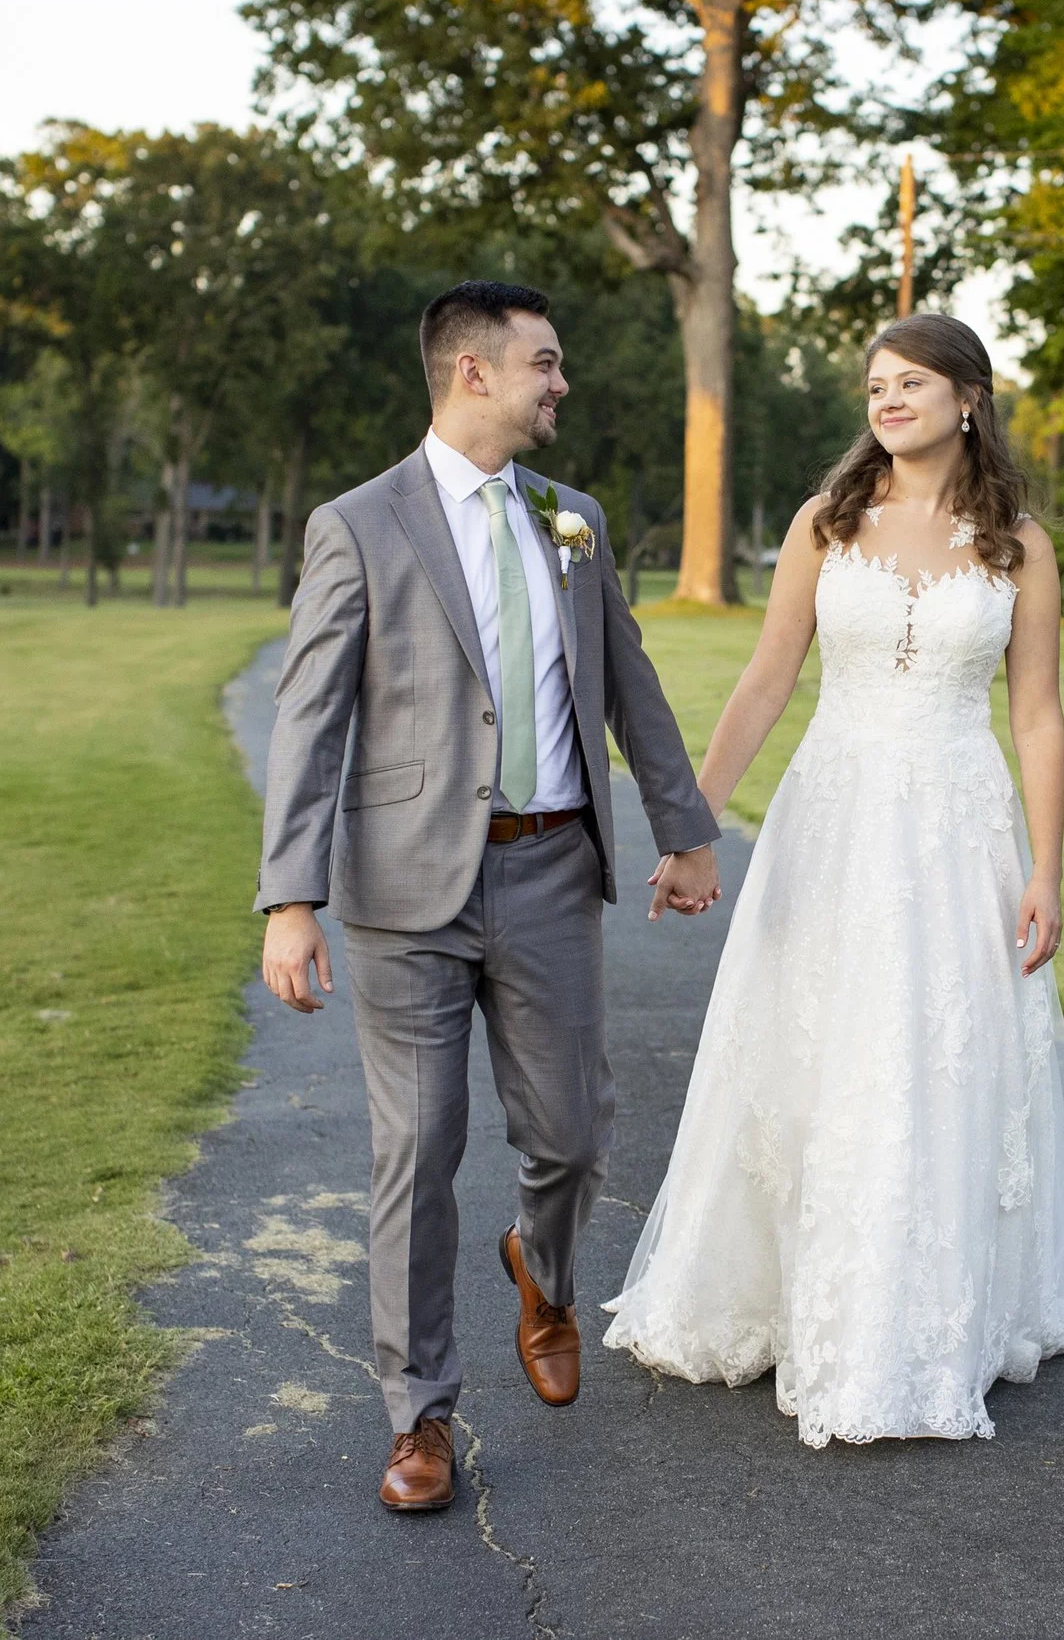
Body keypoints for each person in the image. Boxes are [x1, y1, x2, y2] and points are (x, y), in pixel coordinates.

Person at [254, 281, 722, 1513]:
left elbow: (630, 676)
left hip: (553, 869)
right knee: (417, 1151)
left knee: (571, 1130)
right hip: (405, 888)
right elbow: (309, 720)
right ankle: (420, 1417)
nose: (560, 383)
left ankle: (544, 1268)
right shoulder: (357, 525)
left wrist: (683, 829)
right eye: (544, 364)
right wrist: (287, 899)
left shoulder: (574, 520)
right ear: (473, 372)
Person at [602, 312, 1064, 1447]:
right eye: (875, 384)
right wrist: (690, 828)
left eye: (910, 382)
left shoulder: (1020, 544)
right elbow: (767, 680)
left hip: (959, 829)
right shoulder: (827, 525)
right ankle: (784, 1291)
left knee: (934, 1057)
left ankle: (919, 1313)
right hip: (832, 818)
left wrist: (1048, 869)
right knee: (815, 1048)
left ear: (969, 397)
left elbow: (1037, 712)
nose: (886, 400)